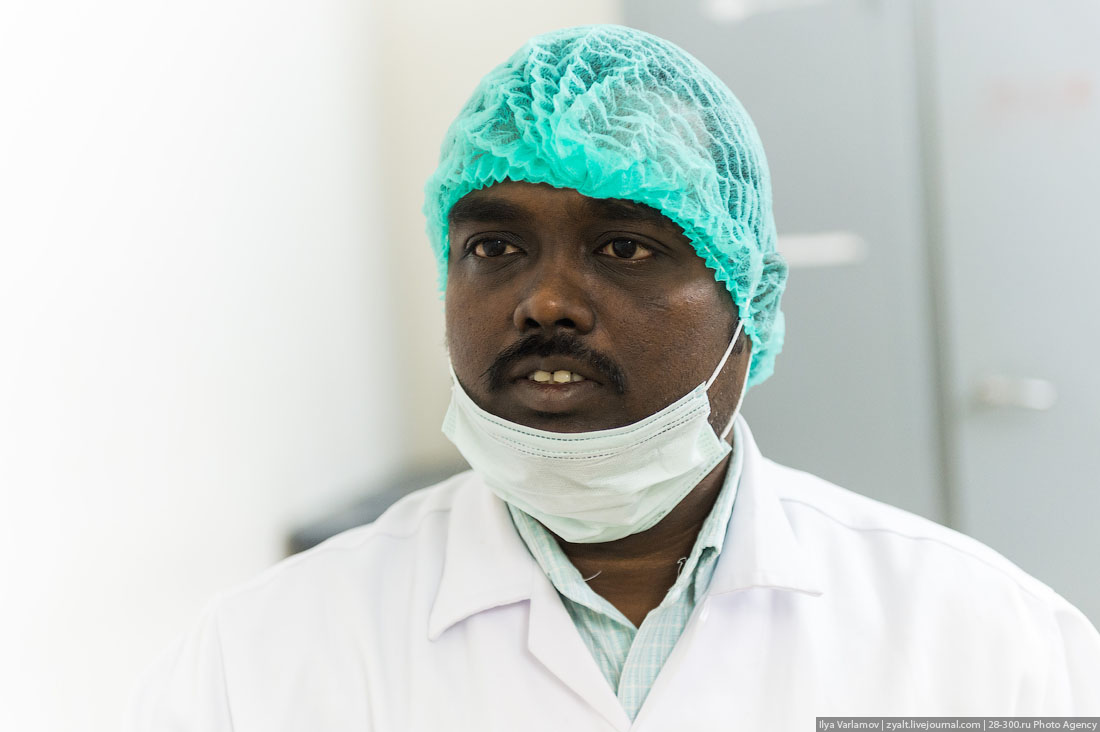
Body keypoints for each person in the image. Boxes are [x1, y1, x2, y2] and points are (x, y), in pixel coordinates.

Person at [126, 25, 1100, 731]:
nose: (545, 301)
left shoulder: (984, 642)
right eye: (494, 246)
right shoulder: (260, 665)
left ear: (747, 301)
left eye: (625, 246)